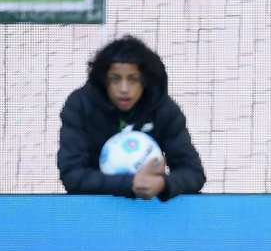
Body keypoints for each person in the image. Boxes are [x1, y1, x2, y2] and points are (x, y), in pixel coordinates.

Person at [58, 35, 206, 201]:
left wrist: (163, 184)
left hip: (150, 211)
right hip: (94, 209)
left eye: (133, 79)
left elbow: (194, 173)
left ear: (145, 80)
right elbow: (72, 175)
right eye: (115, 79)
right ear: (103, 80)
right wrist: (131, 184)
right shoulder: (80, 106)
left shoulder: (164, 109)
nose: (124, 89)